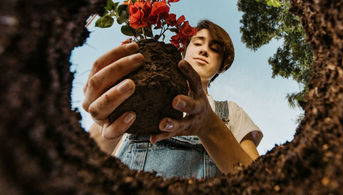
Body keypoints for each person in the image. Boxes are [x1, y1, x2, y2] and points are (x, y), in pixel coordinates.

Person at [82, 20, 263, 178]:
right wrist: (106, 121)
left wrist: (209, 126)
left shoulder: (231, 112)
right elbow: (83, 170)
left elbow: (259, 183)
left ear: (222, 67)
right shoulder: (129, 97)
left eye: (214, 49)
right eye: (198, 43)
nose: (204, 51)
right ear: (183, 51)